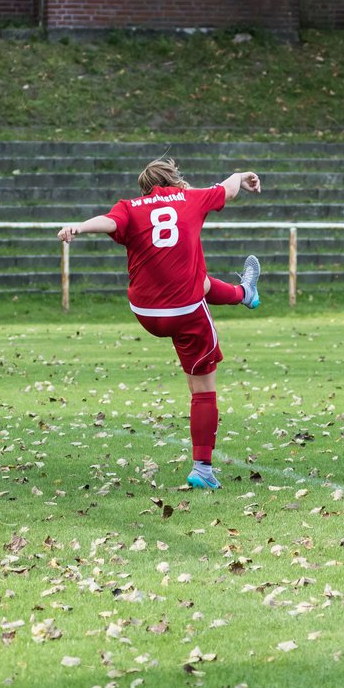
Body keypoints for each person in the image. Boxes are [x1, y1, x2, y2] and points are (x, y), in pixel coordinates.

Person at [57, 158, 262, 490]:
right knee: (203, 389)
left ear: (145, 189)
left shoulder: (130, 207)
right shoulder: (192, 197)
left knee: (198, 278)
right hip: (185, 310)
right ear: (175, 181)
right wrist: (241, 175)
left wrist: (78, 227)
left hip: (147, 312)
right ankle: (203, 469)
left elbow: (107, 223)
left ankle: (244, 292)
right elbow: (228, 189)